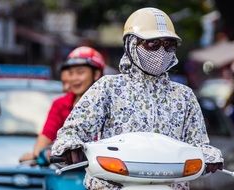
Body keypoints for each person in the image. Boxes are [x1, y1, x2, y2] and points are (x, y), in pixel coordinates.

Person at [51, 8, 223, 190]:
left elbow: (198, 145)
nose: (162, 52)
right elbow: (72, 131)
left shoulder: (184, 96)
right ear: (131, 45)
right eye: (153, 44)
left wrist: (209, 156)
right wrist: (69, 147)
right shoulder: (108, 87)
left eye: (169, 45)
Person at [19, 46, 105, 163]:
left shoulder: (108, 103)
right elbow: (46, 137)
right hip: (68, 172)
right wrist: (37, 154)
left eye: (80, 72)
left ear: (96, 74)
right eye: (70, 73)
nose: (74, 78)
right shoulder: (60, 104)